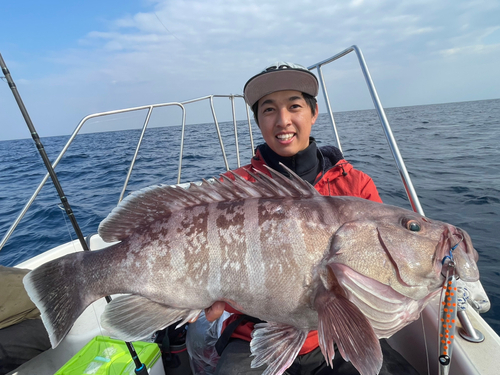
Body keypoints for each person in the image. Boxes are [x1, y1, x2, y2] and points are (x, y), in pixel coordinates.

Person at [194, 62, 418, 375]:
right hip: (251, 334)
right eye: (269, 109)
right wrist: (199, 295)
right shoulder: (232, 191)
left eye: (294, 106)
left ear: (313, 113)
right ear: (258, 121)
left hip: (339, 335)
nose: (283, 120)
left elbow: (380, 272)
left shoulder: (356, 187)